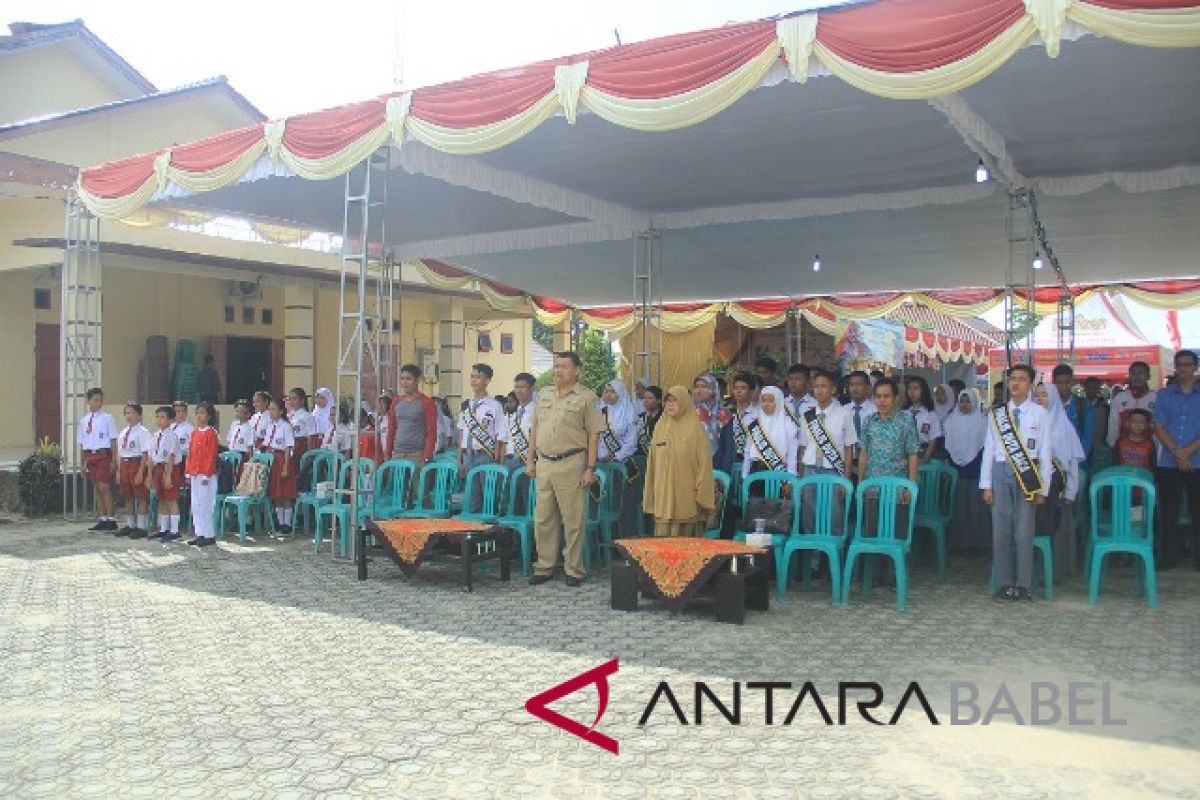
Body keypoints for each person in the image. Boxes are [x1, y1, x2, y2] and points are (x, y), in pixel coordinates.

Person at [527, 351, 603, 587]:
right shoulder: (545, 394)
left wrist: (590, 468)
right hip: (545, 463)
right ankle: (544, 566)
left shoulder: (587, 397)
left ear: (576, 370)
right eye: (556, 366)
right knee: (543, 519)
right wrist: (530, 460)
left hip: (571, 463)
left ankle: (573, 569)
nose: (558, 370)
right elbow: (535, 430)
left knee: (573, 520)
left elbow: (593, 435)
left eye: (564, 366)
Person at [981, 365, 1053, 602]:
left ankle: (1023, 584)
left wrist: (1044, 488)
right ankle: (1003, 584)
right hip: (1001, 471)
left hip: (1028, 472)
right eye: (1012, 379)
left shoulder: (1040, 413)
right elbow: (989, 450)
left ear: (1030, 384)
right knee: (1001, 530)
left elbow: (1045, 452)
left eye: (1022, 380)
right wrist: (986, 485)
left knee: (1024, 532)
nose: (1016, 383)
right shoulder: (997, 414)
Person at [642, 386, 716, 537]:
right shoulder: (660, 427)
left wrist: (703, 498)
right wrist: (651, 494)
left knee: (686, 549)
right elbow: (652, 465)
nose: (670, 404)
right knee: (663, 550)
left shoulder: (696, 429)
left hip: (687, 500)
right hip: (663, 498)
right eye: (668, 401)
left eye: (675, 400)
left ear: (685, 402)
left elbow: (704, 465)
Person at [1152, 349, 1200, 571]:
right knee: (1168, 511)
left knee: (1197, 510)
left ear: (1195, 367)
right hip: (1169, 462)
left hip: (1197, 461)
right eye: (1179, 365)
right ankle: (1168, 557)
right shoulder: (1164, 395)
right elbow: (1158, 427)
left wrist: (1187, 452)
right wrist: (1178, 453)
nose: (1183, 369)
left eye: (1188, 365)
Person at [1034, 381, 1086, 582]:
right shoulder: (1029, 423)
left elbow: (1072, 462)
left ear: (1053, 398)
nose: (1040, 399)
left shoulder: (1064, 426)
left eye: (1044, 395)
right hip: (1033, 488)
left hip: (1058, 490)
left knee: (1057, 529)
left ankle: (1055, 573)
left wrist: (1071, 491)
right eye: (1036, 395)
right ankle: (1033, 572)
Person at [857, 378, 920, 540]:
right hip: (873, 487)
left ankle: (896, 565)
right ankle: (874, 565)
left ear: (895, 398)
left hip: (898, 488)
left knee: (897, 534)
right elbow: (864, 452)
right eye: (878, 396)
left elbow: (913, 453)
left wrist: (910, 485)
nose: (882, 401)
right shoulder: (869, 421)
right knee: (872, 533)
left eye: (886, 396)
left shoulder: (905, 421)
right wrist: (860, 482)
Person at [798, 370, 855, 536]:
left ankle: (834, 551)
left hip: (833, 469)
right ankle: (813, 551)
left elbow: (849, 448)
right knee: (809, 512)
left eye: (823, 386)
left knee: (834, 513)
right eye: (816, 386)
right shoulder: (807, 415)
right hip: (810, 469)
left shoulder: (845, 414)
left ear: (833, 389)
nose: (819, 390)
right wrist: (801, 476)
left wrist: (846, 478)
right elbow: (803, 446)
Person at [943, 389, 990, 554]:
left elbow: (986, 446)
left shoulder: (983, 421)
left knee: (976, 506)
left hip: (977, 469)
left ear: (975, 402)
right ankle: (960, 544)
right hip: (957, 470)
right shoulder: (950, 421)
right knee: (959, 506)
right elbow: (947, 445)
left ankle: (979, 544)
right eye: (961, 401)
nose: (964, 405)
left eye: (968, 401)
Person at [597, 378, 640, 538]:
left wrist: (616, 456)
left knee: (621, 504)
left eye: (612, 391)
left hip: (622, 465)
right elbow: (596, 437)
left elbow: (632, 441)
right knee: (603, 503)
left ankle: (623, 540)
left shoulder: (629, 412)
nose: (608, 395)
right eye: (606, 391)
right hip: (602, 465)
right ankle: (605, 540)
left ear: (621, 393)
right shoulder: (599, 411)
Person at [458, 365, 503, 505]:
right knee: (471, 499)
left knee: (489, 497)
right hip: (467, 456)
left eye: (478, 377)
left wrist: (497, 458)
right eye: (472, 377)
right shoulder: (467, 406)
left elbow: (499, 434)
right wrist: (459, 460)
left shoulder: (495, 405)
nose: (474, 380)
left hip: (485, 455)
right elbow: (461, 434)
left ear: (487, 380)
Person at [77, 387, 119, 532]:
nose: (98, 403)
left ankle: (111, 519)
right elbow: (82, 443)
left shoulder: (107, 418)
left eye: (100, 400)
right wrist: (81, 464)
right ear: (89, 401)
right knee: (96, 487)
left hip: (103, 454)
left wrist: (114, 459)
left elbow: (113, 440)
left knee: (105, 486)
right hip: (90, 455)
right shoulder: (84, 421)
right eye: (95, 400)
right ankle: (102, 518)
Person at [742, 386, 800, 485]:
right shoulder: (754, 424)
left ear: (778, 402)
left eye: (770, 401)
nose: (766, 404)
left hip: (779, 471)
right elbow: (747, 451)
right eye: (763, 401)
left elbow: (792, 455)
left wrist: (790, 480)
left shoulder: (789, 425)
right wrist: (744, 475)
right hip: (756, 472)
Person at [498, 372, 536, 514]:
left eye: (522, 387)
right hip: (509, 461)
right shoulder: (513, 413)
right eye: (516, 387)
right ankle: (511, 536)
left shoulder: (538, 411)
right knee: (510, 504)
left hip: (527, 462)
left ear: (531, 388)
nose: (518, 390)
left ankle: (529, 535)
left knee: (528, 502)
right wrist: (502, 463)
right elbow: (505, 440)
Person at [388, 364, 439, 466]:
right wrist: (388, 453)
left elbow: (431, 433)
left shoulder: (427, 403)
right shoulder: (396, 402)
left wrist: (427, 457)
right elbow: (391, 428)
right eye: (402, 379)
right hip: (397, 454)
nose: (404, 382)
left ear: (418, 380)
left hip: (417, 455)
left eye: (408, 379)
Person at [115, 402, 153, 538]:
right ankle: (130, 525)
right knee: (128, 496)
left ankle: (141, 526)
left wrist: (141, 472)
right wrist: (119, 471)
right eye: (127, 413)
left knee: (141, 496)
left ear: (139, 415)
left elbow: (145, 454)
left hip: (136, 463)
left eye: (132, 413)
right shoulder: (123, 432)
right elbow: (121, 453)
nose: (129, 416)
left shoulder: (143, 432)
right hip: (125, 464)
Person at [185, 402, 220, 548]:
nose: (200, 416)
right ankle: (199, 533)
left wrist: (206, 474)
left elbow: (210, 455)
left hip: (206, 474)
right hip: (195, 472)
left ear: (209, 416)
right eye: (197, 412)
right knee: (196, 504)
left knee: (206, 504)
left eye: (203, 413)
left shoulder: (211, 433)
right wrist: (188, 471)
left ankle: (209, 534)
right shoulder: (195, 432)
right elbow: (191, 453)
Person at [261, 396, 296, 534]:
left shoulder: (286, 426)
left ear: (281, 411)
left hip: (282, 459)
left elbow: (288, 448)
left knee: (286, 492)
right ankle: (280, 522)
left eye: (273, 409)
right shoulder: (270, 426)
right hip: (272, 460)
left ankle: (287, 523)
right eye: (269, 409)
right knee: (276, 492)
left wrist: (286, 467)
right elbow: (266, 443)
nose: (270, 412)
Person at [148, 405, 183, 542]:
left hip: (170, 469)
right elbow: (151, 456)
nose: (159, 420)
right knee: (162, 499)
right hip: (158, 468)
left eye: (163, 417)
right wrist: (150, 475)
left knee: (171, 499)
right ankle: (164, 529)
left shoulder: (172, 436)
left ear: (170, 420)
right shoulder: (155, 435)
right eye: (157, 417)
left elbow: (171, 456)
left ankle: (174, 531)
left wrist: (168, 476)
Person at [716, 372, 758, 476]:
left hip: (752, 464)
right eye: (736, 388)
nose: (738, 391)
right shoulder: (727, 414)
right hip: (729, 461)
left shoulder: (758, 415)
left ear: (752, 392)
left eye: (743, 388)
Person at [1108, 361, 1157, 447]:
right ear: (1129, 376)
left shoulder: (1156, 398)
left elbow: (1158, 427)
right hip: (1124, 449)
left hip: (1150, 449)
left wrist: (1156, 450)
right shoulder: (1120, 398)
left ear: (1148, 376)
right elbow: (1113, 425)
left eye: (1141, 373)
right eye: (1133, 373)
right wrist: (1112, 446)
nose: (1137, 377)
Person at [1052, 364, 1094, 461]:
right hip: (1052, 461)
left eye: (1067, 382)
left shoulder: (1084, 405)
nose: (1063, 386)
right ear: (1053, 383)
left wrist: (1078, 460)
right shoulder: (1048, 405)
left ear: (1073, 382)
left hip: (1077, 461)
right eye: (1059, 382)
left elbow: (1087, 436)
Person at [842, 370, 876, 479]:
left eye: (859, 384)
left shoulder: (875, 411)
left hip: (869, 461)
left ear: (868, 388)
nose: (854, 388)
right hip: (845, 461)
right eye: (852, 385)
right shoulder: (842, 411)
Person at [693, 373, 731, 462]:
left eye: (703, 386)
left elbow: (729, 446)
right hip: (694, 462)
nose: (699, 390)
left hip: (718, 461)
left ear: (713, 389)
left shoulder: (724, 414)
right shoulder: (691, 414)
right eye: (696, 387)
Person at [904, 376, 943, 463]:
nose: (912, 392)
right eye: (909, 388)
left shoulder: (931, 415)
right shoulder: (904, 413)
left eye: (916, 388)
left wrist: (925, 458)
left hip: (923, 452)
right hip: (906, 453)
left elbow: (933, 439)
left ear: (923, 390)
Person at [783, 363, 815, 428]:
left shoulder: (815, 404)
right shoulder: (782, 404)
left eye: (797, 379)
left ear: (807, 382)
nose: (793, 382)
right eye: (791, 379)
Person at [636, 386, 663, 457]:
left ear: (659, 400)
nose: (646, 401)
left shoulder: (664, 418)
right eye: (644, 398)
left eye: (650, 398)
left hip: (659, 456)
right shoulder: (640, 417)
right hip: (641, 456)